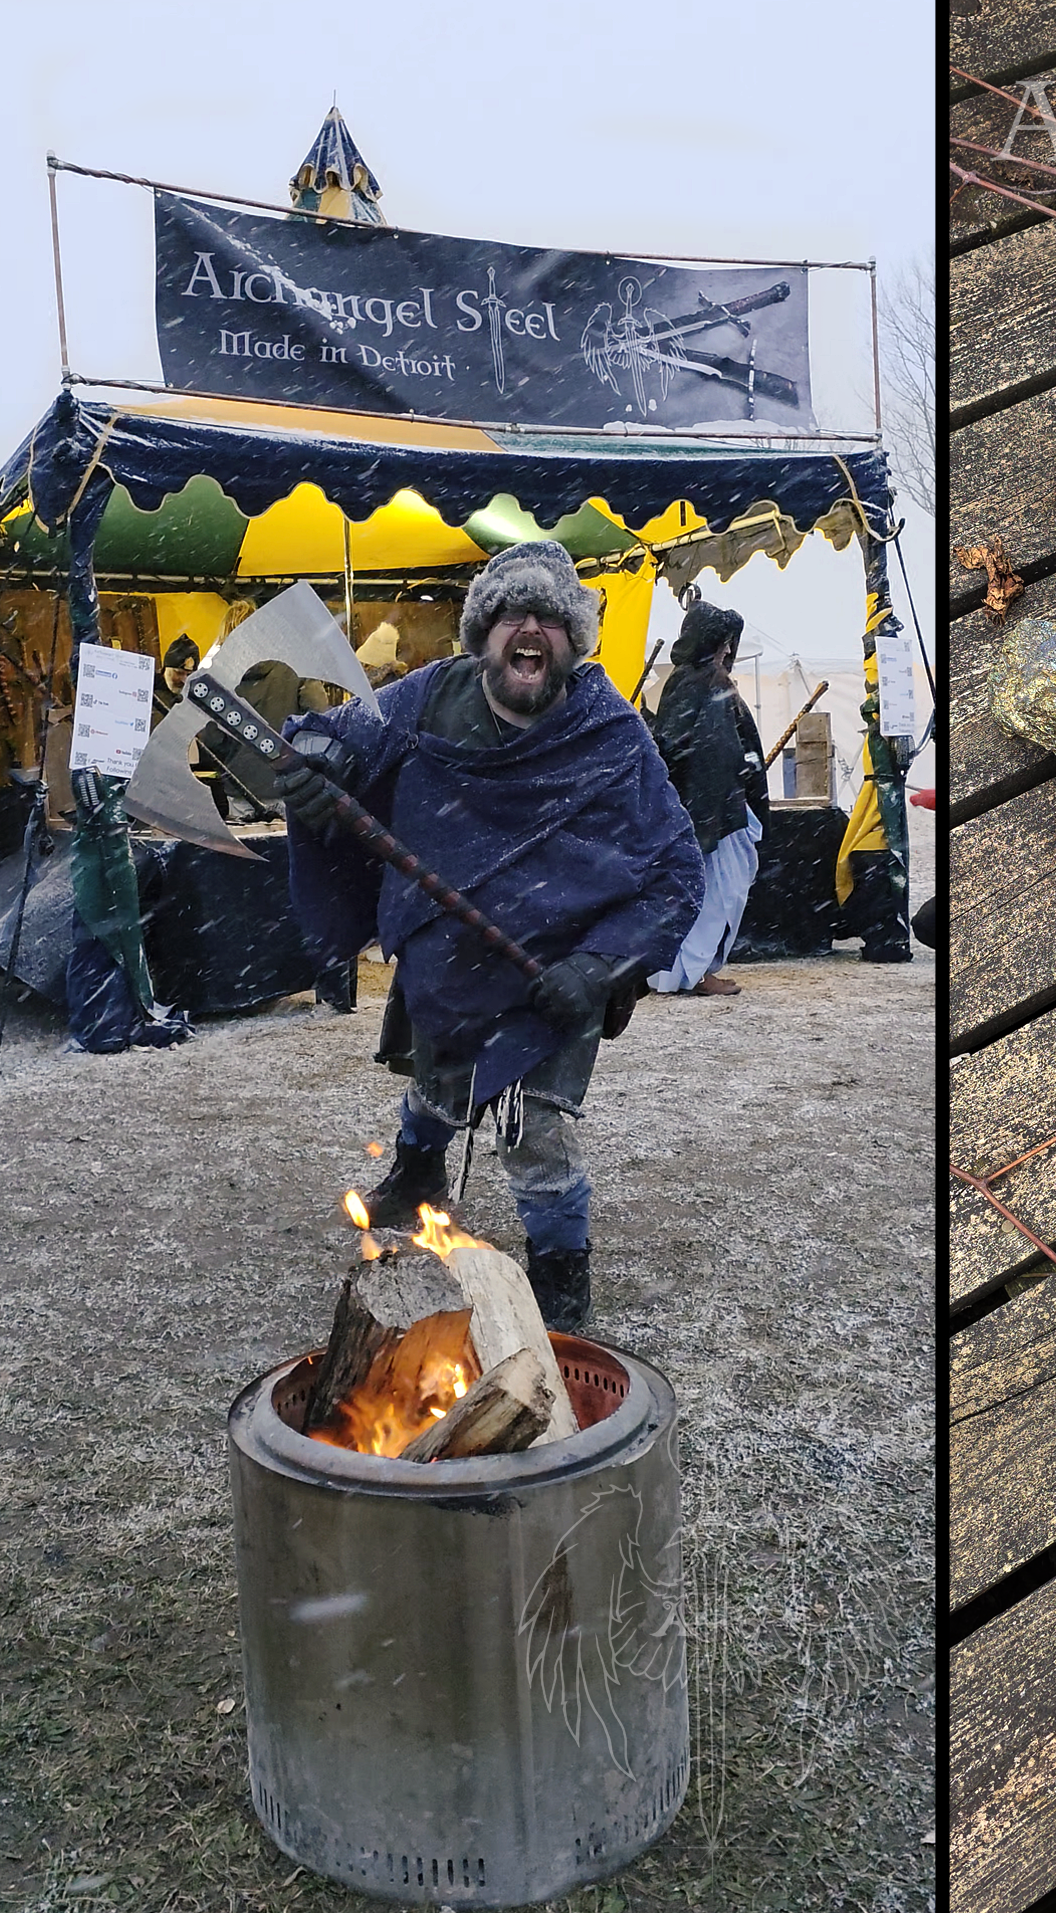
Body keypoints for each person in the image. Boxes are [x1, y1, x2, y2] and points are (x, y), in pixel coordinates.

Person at [274, 540, 705, 1330]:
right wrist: (314, 761)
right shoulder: (428, 698)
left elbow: (677, 868)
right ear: (483, 632)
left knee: (536, 1130)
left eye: (549, 616)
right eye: (513, 613)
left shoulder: (610, 733)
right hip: (448, 962)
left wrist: (604, 968)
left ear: (574, 639)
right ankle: (415, 1176)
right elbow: (331, 733)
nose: (530, 628)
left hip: (559, 975)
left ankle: (561, 1283)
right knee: (438, 1084)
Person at [647, 600, 770, 998]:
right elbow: (681, 748)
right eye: (724, 643)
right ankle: (693, 972)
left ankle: (695, 968)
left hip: (722, 807)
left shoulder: (705, 681)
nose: (730, 652)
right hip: (706, 809)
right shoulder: (695, 681)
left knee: (728, 888)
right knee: (716, 892)